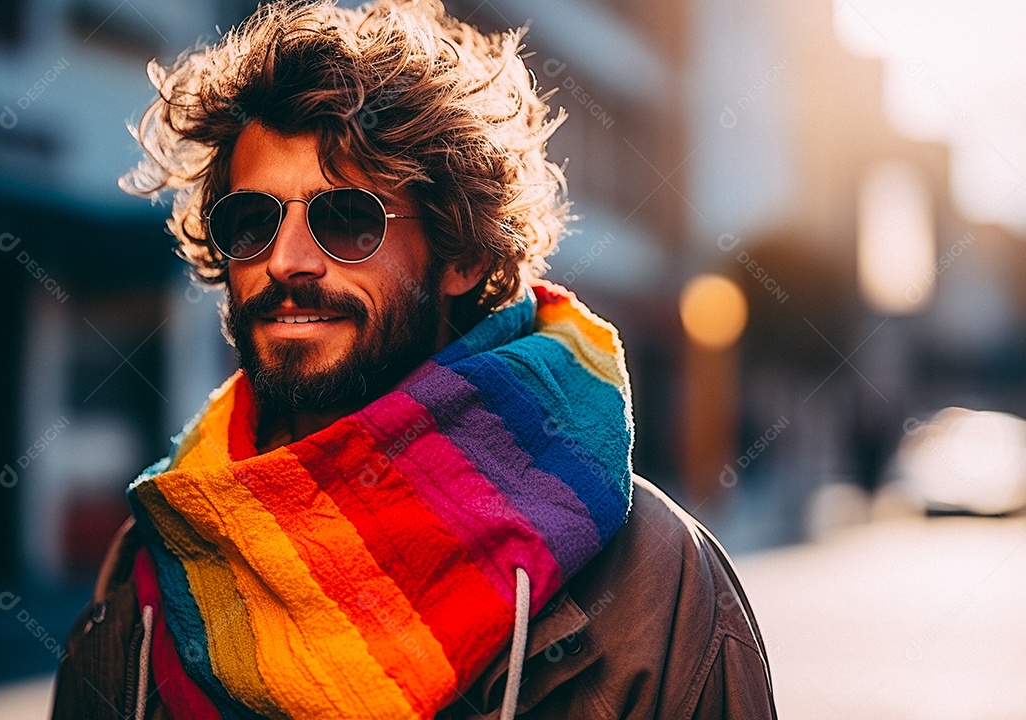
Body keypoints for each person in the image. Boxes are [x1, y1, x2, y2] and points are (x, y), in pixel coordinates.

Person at [50, 1, 777, 718]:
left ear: (460, 255)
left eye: (347, 217)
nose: (288, 261)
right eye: (252, 221)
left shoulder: (655, 581)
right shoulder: (158, 555)